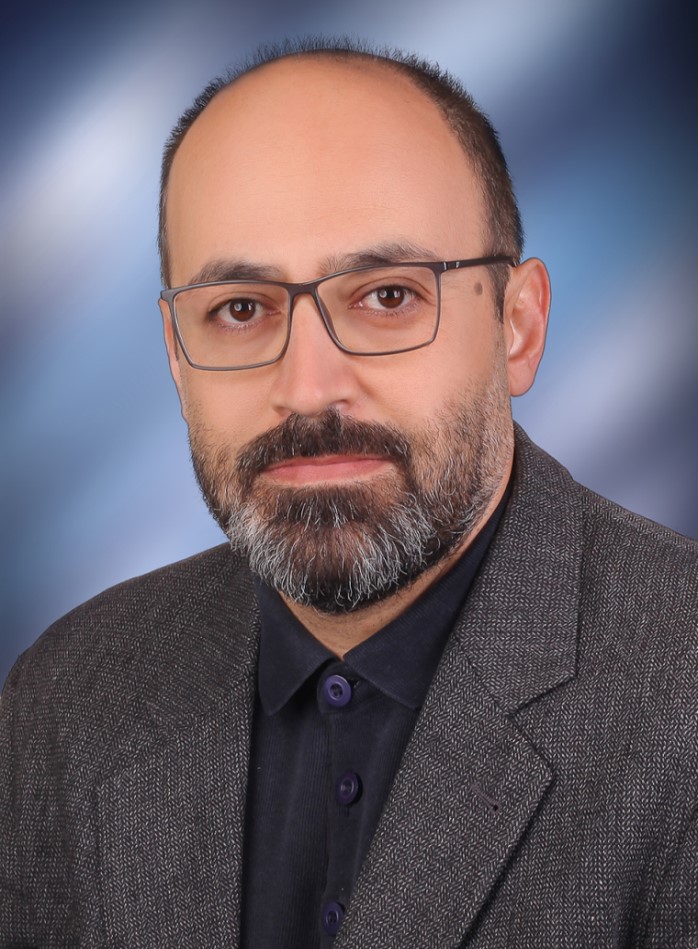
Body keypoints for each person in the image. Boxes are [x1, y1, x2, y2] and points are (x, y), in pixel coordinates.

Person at [1, 38, 696, 949]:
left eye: (388, 296)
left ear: (518, 328)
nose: (308, 388)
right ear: (175, 353)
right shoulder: (68, 696)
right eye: (240, 309)